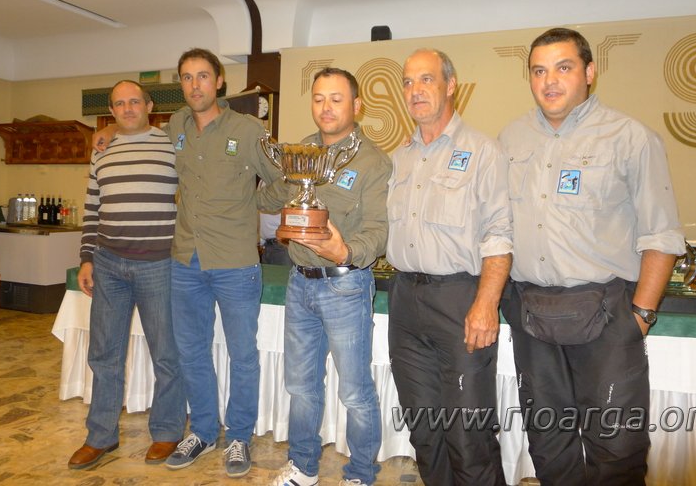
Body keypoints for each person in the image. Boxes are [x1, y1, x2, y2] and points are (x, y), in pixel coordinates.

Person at [497, 27, 685, 486]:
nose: (550, 81)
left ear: (589, 72)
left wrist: (640, 316)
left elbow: (662, 235)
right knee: (548, 442)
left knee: (616, 448)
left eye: (563, 67)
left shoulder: (630, 138)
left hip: (607, 316)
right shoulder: (510, 139)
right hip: (531, 314)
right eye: (539, 71)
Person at [93, 49, 282, 478]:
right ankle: (203, 431)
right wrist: (105, 129)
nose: (195, 85)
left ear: (219, 81)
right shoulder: (176, 126)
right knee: (191, 352)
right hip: (184, 261)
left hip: (235, 262)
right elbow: (135, 123)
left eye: (203, 76)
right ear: (181, 84)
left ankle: (239, 436)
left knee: (242, 355)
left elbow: (283, 181)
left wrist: (251, 204)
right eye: (187, 77)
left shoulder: (248, 129)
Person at [385, 49, 512, 486]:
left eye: (426, 79)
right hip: (405, 301)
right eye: (407, 82)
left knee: (468, 433)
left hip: (459, 300)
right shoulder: (401, 156)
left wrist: (486, 303)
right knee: (424, 429)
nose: (415, 90)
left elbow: (499, 232)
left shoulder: (483, 151)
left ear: (450, 85)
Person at [261, 67, 390, 486]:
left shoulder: (373, 161)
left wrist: (346, 251)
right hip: (299, 281)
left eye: (336, 99)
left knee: (354, 391)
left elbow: (379, 229)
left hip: (345, 284)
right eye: (318, 98)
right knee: (300, 386)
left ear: (356, 105)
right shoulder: (300, 152)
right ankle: (303, 466)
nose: (326, 107)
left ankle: (361, 474)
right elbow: (269, 197)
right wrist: (270, 176)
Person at [68, 80, 185, 470]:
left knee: (166, 354)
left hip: (159, 264)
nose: (128, 108)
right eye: (119, 104)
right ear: (112, 111)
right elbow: (92, 207)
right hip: (108, 264)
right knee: (104, 355)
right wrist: (87, 258)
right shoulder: (102, 150)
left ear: (150, 106)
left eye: (135, 101)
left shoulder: (172, 144)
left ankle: (167, 430)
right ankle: (100, 436)